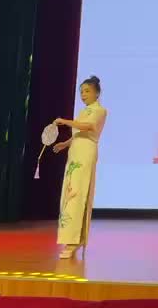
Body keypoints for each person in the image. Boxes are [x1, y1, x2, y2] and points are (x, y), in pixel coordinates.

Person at [53, 75, 108, 259]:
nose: (83, 95)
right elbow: (78, 132)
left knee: (79, 193)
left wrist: (65, 121)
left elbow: (87, 127)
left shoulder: (100, 110)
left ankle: (75, 240)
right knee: (70, 194)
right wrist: (65, 143)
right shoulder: (84, 111)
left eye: (87, 91)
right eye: (81, 92)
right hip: (76, 152)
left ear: (97, 93)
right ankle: (71, 238)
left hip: (86, 153)